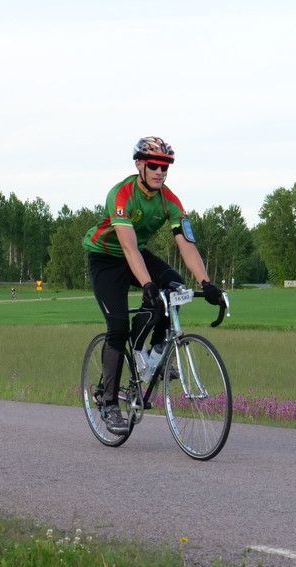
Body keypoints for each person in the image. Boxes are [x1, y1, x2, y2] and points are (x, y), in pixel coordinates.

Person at [82, 136, 224, 435]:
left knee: (174, 287)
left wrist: (206, 283)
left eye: (166, 166)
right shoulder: (121, 194)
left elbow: (186, 244)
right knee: (118, 327)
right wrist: (146, 283)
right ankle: (108, 402)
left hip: (136, 254)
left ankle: (155, 350)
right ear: (139, 165)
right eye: (155, 165)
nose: (161, 171)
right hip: (107, 257)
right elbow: (129, 247)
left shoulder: (169, 199)